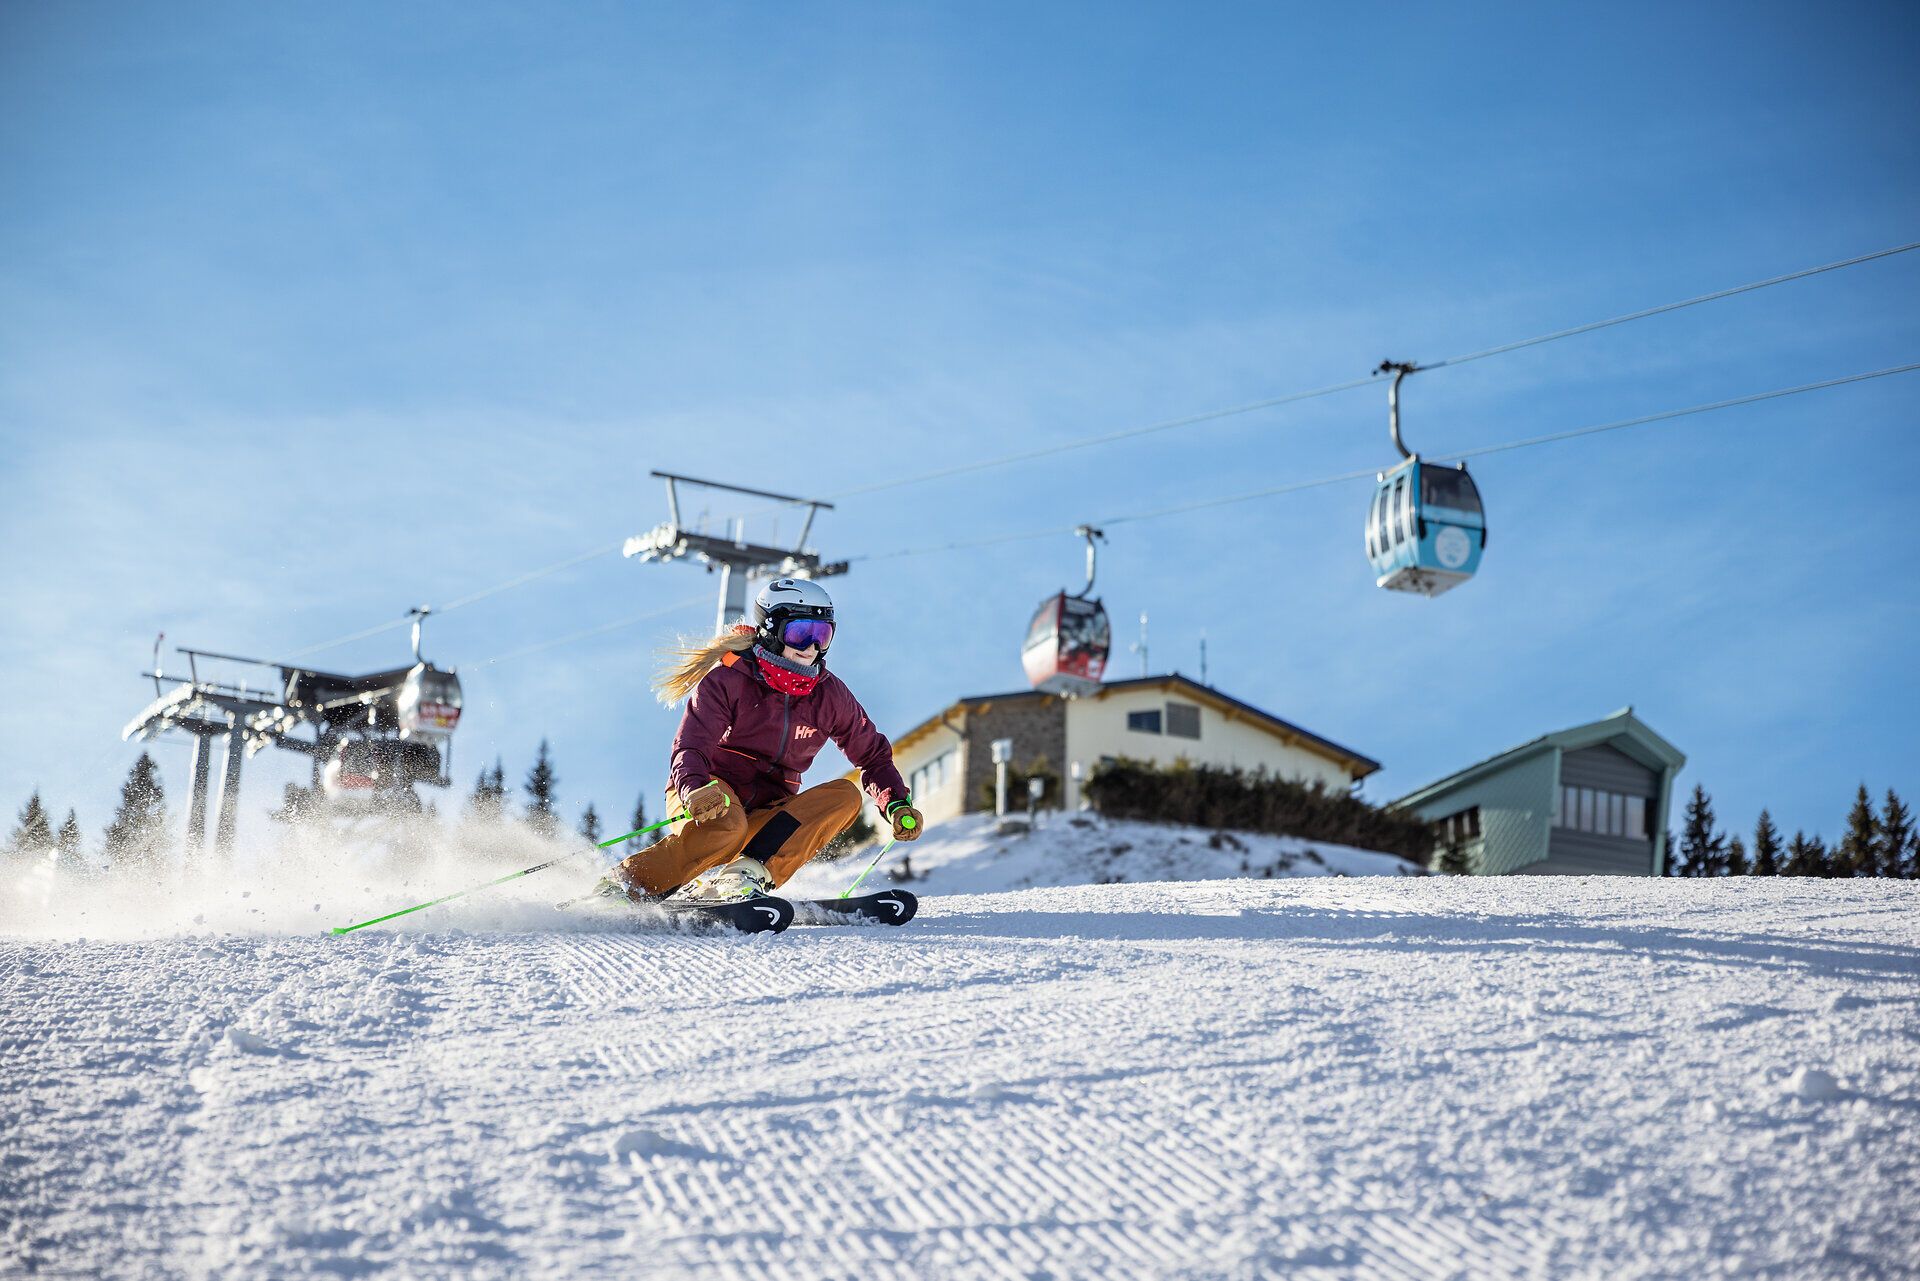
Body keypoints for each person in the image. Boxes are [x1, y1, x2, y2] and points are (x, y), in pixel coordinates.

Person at [601, 577, 923, 902]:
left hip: (767, 813)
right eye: (800, 634)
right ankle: (627, 884)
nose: (811, 648)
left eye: (822, 635)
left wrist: (895, 802)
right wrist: (694, 788)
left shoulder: (829, 695)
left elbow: (873, 757)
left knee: (845, 796)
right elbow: (691, 745)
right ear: (771, 630)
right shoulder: (730, 679)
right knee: (729, 825)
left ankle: (744, 877)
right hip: (710, 797)